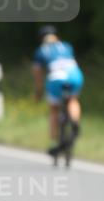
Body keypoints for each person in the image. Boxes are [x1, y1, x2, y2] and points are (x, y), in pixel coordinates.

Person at [32, 25, 84, 157]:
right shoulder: (66, 46)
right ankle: (75, 123)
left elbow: (38, 75)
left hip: (56, 78)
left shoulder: (41, 50)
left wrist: (38, 93)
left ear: (41, 38)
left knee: (54, 109)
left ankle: (55, 139)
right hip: (75, 74)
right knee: (73, 99)